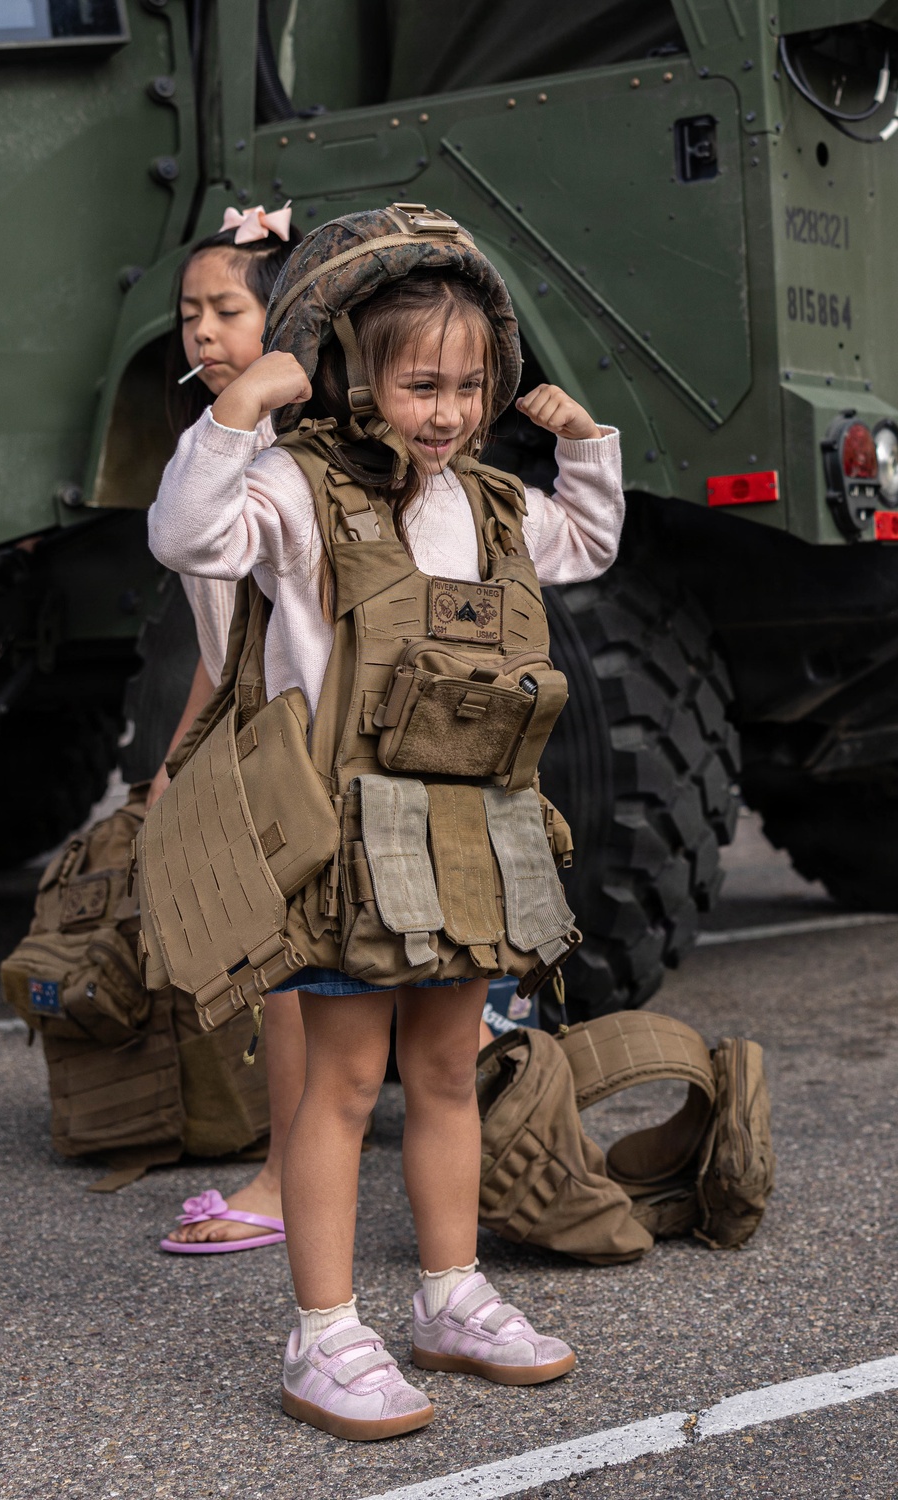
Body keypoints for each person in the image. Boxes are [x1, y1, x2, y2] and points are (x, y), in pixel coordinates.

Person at [147, 206, 624, 1440]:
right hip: (349, 849)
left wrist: (587, 445)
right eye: (420, 384)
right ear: (350, 368)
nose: (449, 411)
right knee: (343, 1087)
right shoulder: (295, 496)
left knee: (446, 1073)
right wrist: (241, 406)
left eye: (471, 385)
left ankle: (450, 1296)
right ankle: (322, 1335)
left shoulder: (490, 502)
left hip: (469, 841)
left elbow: (582, 544)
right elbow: (186, 532)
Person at [148, 203, 308, 1254]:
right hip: (247, 734)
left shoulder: (303, 453)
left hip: (308, 741)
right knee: (290, 966)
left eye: (228, 311)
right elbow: (218, 635)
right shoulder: (205, 445)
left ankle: (290, 1178)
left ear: (282, 321)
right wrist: (175, 759)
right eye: (189, 314)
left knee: (292, 970)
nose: (203, 333)